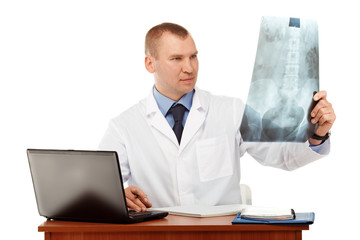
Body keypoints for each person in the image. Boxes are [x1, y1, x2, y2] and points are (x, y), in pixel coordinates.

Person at [99, 23, 336, 212]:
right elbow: (97, 189)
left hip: (221, 233)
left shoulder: (231, 111)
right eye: (177, 59)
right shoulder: (124, 126)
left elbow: (283, 156)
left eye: (193, 56)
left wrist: (317, 134)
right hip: (158, 234)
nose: (190, 68)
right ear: (150, 64)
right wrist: (118, 196)